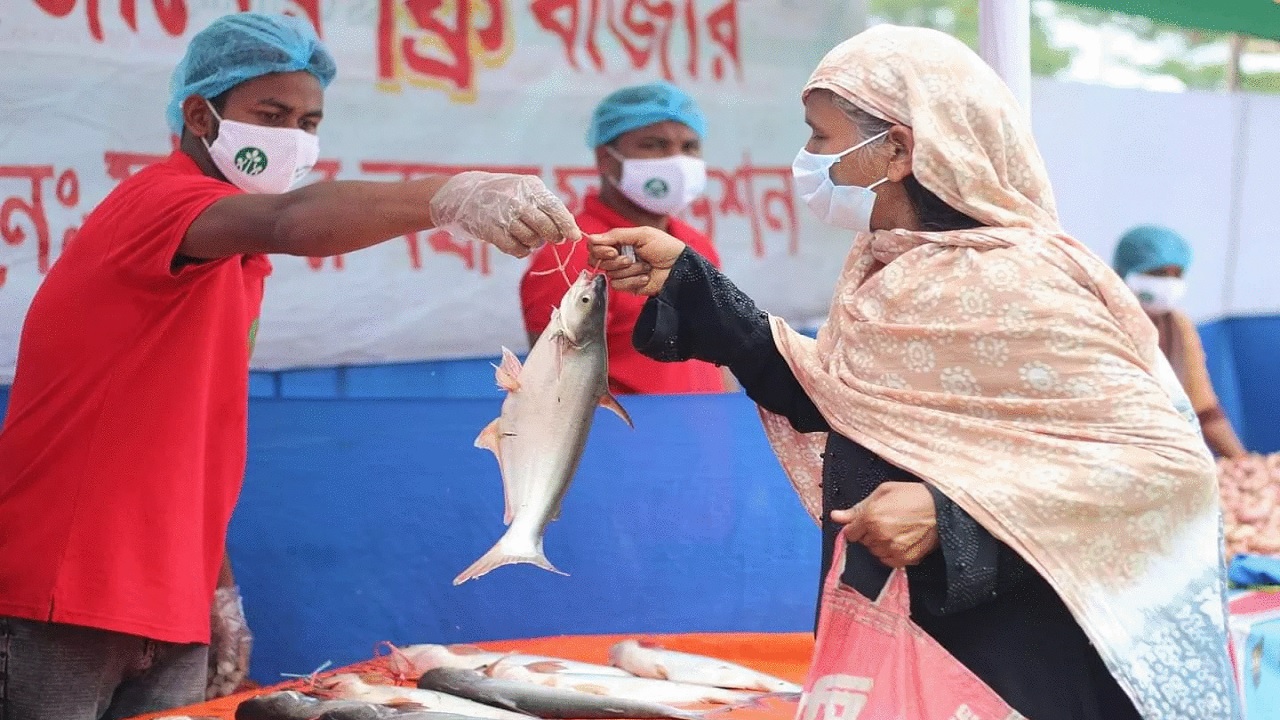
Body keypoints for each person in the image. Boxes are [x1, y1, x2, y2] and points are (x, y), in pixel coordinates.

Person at [588, 25, 1239, 720]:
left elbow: (1167, 475)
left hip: (1017, 668)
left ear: (897, 150)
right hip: (900, 648)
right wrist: (689, 286)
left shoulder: (1028, 284)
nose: (807, 159)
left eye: (820, 136)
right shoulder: (888, 269)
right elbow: (841, 402)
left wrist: (953, 518)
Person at [0, 13, 579, 720]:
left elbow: (186, 445)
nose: (293, 138)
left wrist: (216, 589)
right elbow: (291, 219)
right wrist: (448, 195)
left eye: (309, 122)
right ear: (199, 116)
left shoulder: (232, 257)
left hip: (169, 600)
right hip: (63, 592)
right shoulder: (160, 203)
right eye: (270, 115)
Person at [519, 82, 727, 395]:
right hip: (626, 427)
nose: (676, 159)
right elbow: (556, 392)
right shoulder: (575, 254)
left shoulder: (697, 245)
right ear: (606, 159)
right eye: (654, 145)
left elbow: (719, 356)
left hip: (709, 423)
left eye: (689, 147)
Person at [1114, 224, 1248, 459]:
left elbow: (1202, 405)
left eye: (1176, 274)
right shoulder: (1105, 322)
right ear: (1125, 272)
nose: (1168, 283)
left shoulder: (1178, 326)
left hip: (1168, 450)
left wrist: (1242, 461)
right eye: (1157, 273)